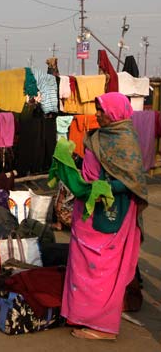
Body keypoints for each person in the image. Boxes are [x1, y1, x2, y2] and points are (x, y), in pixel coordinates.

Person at [62, 92, 148, 341]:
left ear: (116, 112)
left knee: (103, 268)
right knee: (87, 265)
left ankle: (101, 326)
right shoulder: (102, 137)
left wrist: (103, 187)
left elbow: (133, 180)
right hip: (90, 209)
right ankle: (86, 316)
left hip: (113, 212)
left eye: (101, 110)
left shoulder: (124, 140)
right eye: (97, 109)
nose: (97, 114)